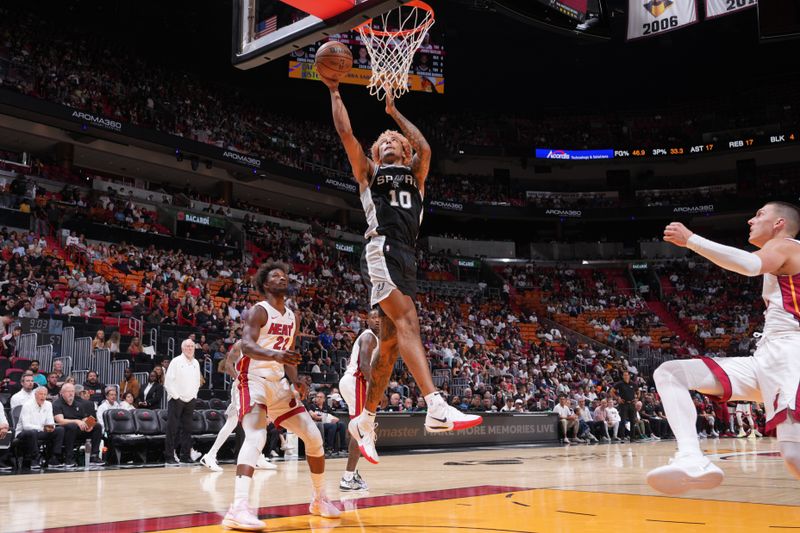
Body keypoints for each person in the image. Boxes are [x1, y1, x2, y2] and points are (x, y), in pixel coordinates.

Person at [323, 70, 482, 465]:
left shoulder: (417, 174)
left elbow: (425, 148)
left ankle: (366, 419)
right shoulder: (370, 173)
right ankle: (435, 406)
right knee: (409, 321)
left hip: (407, 257)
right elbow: (346, 134)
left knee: (391, 344)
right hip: (382, 249)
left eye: (395, 139)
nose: (390, 141)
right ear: (377, 154)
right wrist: (334, 90)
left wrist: (395, 113)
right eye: (384, 141)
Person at [648, 202, 800, 495]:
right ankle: (692, 459)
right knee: (671, 373)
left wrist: (691, 240)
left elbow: (749, 265)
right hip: (767, 357)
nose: (750, 221)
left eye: (759, 215)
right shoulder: (784, 253)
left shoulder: (787, 246)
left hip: (790, 353)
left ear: (780, 223)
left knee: (793, 454)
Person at [222, 261, 340, 531]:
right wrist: (276, 355)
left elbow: (289, 354)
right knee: (256, 436)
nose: (282, 277)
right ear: (265, 284)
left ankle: (319, 499)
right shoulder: (258, 311)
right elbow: (248, 346)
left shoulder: (292, 316)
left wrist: (296, 380)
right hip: (252, 379)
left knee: (313, 436)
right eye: (275, 275)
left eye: (284, 274)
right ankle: (238, 507)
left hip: (278, 383)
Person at [200, 339, 275, 473]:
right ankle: (212, 455)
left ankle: (211, 455)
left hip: (255, 387)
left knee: (233, 423)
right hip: (242, 387)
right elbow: (227, 365)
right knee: (249, 421)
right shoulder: (241, 344)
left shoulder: (263, 343)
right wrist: (238, 379)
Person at [338, 309, 379, 491]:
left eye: (380, 318)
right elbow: (363, 366)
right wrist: (376, 390)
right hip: (356, 382)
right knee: (361, 429)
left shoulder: (378, 340)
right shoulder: (369, 337)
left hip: (354, 383)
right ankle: (347, 478)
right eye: (373, 317)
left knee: (360, 428)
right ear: (367, 321)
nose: (377, 320)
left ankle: (351, 474)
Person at [163, 338, 202, 466]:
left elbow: (197, 381)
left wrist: (194, 395)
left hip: (190, 399)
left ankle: (185, 455)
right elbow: (168, 382)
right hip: (176, 399)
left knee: (187, 429)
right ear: (182, 348)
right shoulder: (176, 361)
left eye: (192, 346)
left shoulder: (196, 362)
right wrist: (176, 396)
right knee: (172, 428)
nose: (190, 348)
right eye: (187, 346)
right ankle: (169, 456)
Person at [52, 383, 103, 467]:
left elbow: (83, 418)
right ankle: (69, 457)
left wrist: (88, 423)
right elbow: (60, 420)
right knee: (72, 426)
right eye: (68, 391)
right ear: (62, 393)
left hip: (79, 429)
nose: (71, 393)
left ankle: (94, 456)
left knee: (97, 426)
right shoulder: (57, 404)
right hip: (64, 430)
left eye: (72, 391)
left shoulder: (78, 404)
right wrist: (76, 421)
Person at [16, 386, 65, 469]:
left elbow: (50, 422)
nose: (43, 396)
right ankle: (34, 459)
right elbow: (26, 426)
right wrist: (42, 428)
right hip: (24, 433)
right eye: (41, 394)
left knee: (59, 430)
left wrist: (51, 427)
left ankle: (54, 458)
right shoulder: (27, 405)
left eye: (45, 394)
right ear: (35, 395)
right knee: (32, 432)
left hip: (41, 432)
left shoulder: (48, 404)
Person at [612, 371, 638, 442]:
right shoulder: (619, 384)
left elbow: (638, 391)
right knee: (623, 421)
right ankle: (622, 437)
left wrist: (637, 398)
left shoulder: (633, 384)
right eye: (624, 375)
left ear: (629, 376)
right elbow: (612, 391)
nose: (626, 376)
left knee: (633, 421)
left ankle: (632, 438)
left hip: (632, 404)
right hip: (623, 404)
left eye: (627, 375)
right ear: (623, 376)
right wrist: (617, 398)